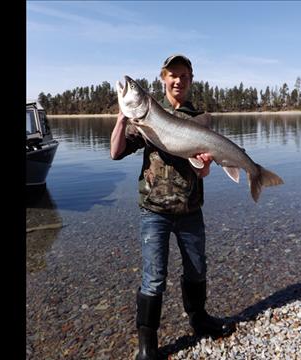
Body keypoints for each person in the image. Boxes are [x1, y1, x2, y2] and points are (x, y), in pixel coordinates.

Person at [110, 54, 230, 360]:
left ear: (190, 80)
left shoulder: (199, 118)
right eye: (173, 75)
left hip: (191, 210)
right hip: (155, 211)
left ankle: (199, 319)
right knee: (153, 277)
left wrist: (204, 166)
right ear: (163, 79)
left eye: (184, 76)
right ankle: (147, 345)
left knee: (197, 268)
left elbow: (202, 171)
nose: (178, 81)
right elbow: (115, 152)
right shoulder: (146, 118)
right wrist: (123, 117)